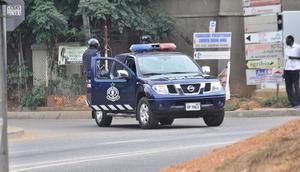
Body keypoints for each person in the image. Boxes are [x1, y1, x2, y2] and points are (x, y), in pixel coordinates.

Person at [284, 35, 300, 108]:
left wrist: (293, 57)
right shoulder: (286, 48)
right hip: (287, 69)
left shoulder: (298, 47)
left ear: (291, 40)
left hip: (295, 69)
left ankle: (298, 103)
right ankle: (292, 103)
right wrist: (284, 70)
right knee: (288, 87)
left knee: (296, 86)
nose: (286, 41)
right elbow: (286, 59)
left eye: (287, 40)